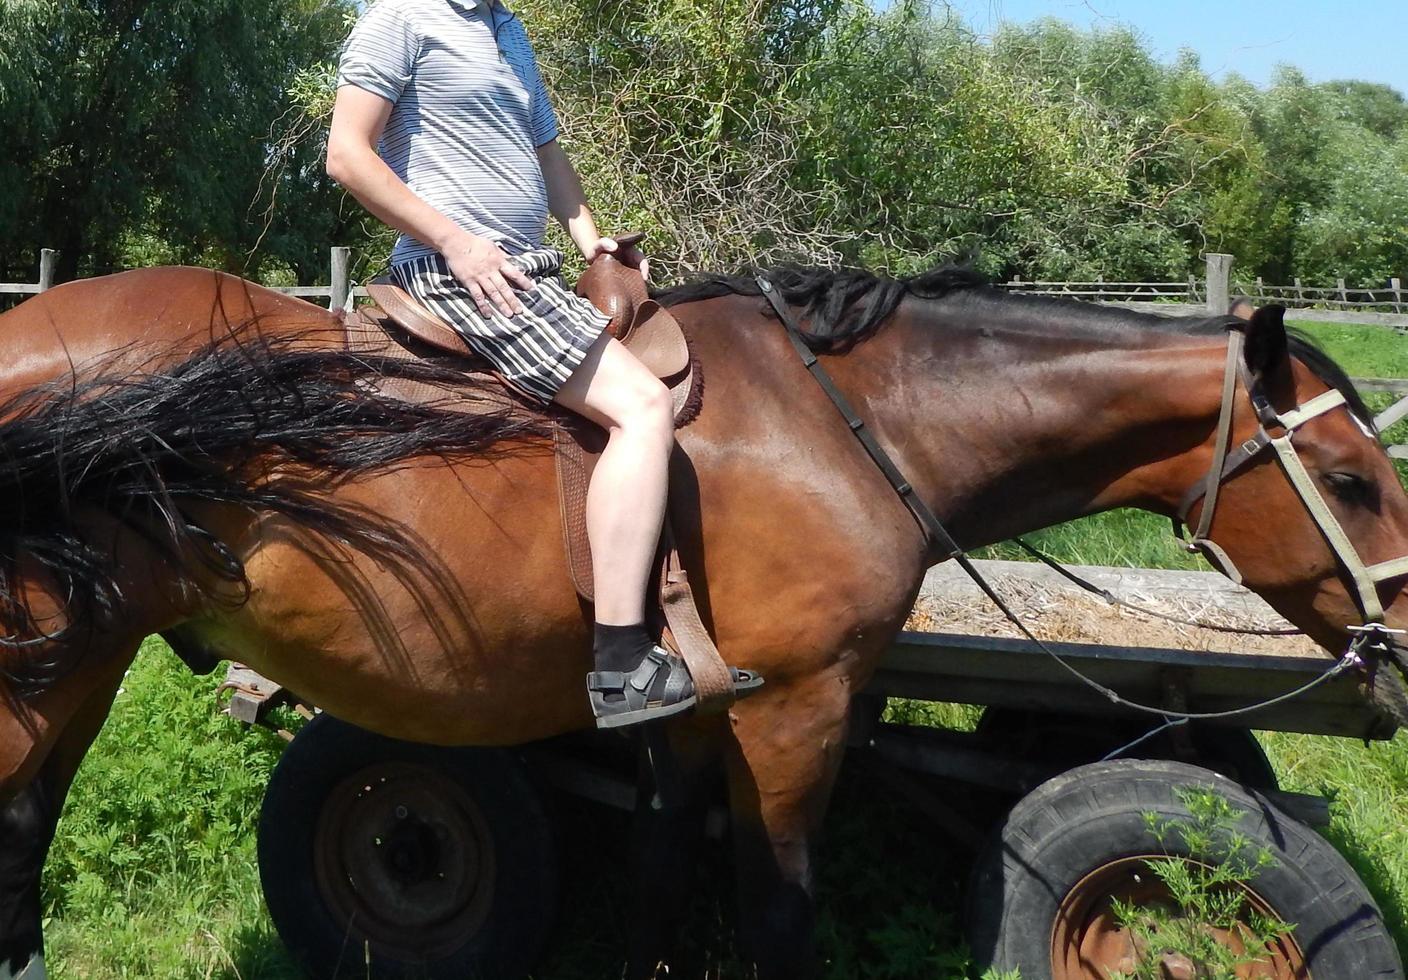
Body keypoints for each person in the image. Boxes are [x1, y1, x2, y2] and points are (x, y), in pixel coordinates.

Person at [326, 0, 758, 728]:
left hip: (529, 270)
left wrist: (593, 245)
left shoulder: (506, 28)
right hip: (458, 272)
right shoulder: (401, 16)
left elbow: (547, 153)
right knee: (644, 405)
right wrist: (455, 241)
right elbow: (346, 154)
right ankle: (621, 664)